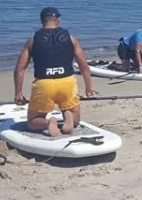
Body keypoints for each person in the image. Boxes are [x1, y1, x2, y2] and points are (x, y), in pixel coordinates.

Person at [13, 7, 97, 137]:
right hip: (67, 82)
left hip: (44, 85)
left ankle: (49, 122)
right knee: (76, 118)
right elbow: (84, 66)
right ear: (58, 19)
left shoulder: (32, 41)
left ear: (42, 21)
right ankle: (69, 116)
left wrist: (18, 93)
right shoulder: (71, 39)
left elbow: (19, 69)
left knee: (32, 121)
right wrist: (89, 87)